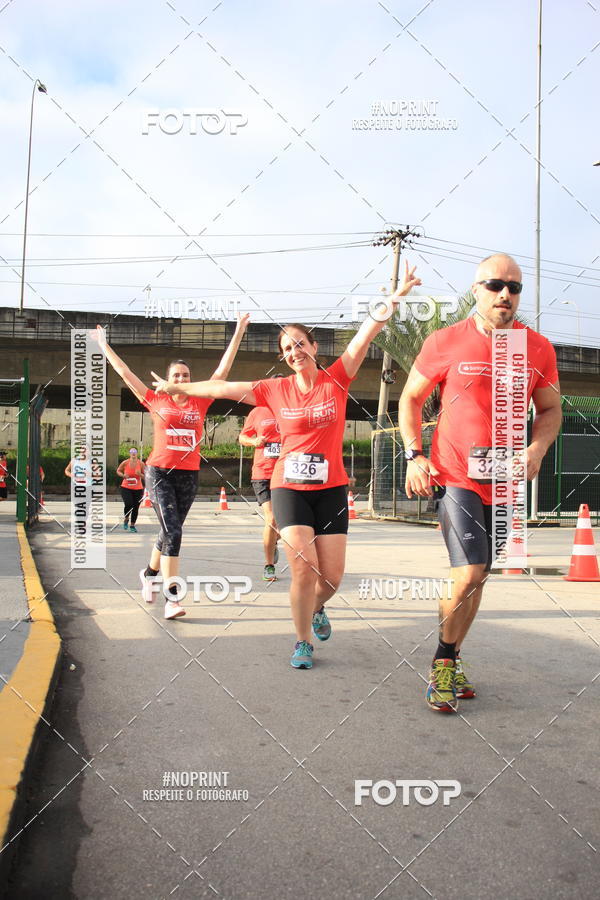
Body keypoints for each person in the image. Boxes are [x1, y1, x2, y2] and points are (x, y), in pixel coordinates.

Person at [151, 263, 421, 666]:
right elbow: (222, 387)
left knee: (332, 577)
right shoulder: (274, 389)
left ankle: (317, 606)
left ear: (313, 346)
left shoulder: (337, 378)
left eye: (299, 344)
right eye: (287, 349)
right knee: (303, 567)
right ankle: (302, 641)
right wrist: (179, 386)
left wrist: (394, 299)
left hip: (331, 488)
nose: (294, 352)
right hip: (288, 487)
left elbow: (367, 333)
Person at [399, 253, 562, 713]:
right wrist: (413, 455)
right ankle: (442, 662)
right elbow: (410, 399)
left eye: (514, 287)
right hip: (455, 475)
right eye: (495, 285)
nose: (505, 294)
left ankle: (452, 656)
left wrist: (536, 450)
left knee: (477, 577)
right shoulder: (446, 340)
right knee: (469, 571)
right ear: (476, 290)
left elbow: (551, 409)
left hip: (505, 481)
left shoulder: (537, 348)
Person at [95, 314, 249, 620]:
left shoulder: (200, 401)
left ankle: (149, 574)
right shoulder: (155, 400)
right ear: (168, 379)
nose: (181, 379)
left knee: (168, 532)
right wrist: (104, 345)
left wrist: (239, 331)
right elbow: (125, 373)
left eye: (185, 375)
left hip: (189, 475)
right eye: (176, 375)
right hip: (159, 473)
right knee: (174, 531)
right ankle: (172, 598)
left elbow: (223, 370)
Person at [238, 395, 282, 582]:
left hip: (286, 472)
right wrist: (254, 441)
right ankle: (269, 565)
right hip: (263, 472)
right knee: (271, 519)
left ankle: (273, 540)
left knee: (288, 522)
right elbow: (242, 437)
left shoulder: (291, 409)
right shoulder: (257, 412)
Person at [116, 447, 146, 532]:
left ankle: (132, 525)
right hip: (126, 487)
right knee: (128, 504)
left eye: (135, 451)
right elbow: (118, 471)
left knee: (136, 507)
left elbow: (146, 476)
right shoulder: (125, 462)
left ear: (137, 453)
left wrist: (140, 474)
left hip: (138, 488)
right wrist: (123, 475)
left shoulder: (141, 464)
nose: (133, 453)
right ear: (129, 453)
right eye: (131, 451)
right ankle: (126, 518)